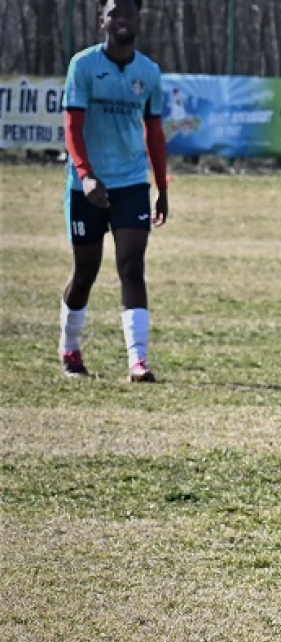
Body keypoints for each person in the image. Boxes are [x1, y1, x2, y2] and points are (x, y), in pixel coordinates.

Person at [59, 0, 168, 381]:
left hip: (132, 183)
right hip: (86, 186)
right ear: (102, 20)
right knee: (85, 271)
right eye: (114, 14)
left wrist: (162, 187)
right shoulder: (83, 66)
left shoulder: (148, 72)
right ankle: (70, 348)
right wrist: (86, 175)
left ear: (139, 20)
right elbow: (72, 128)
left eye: (129, 14)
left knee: (132, 267)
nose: (122, 20)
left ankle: (137, 361)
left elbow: (154, 134)